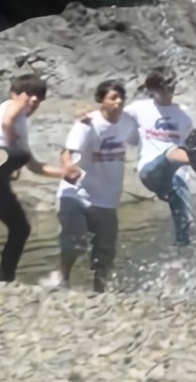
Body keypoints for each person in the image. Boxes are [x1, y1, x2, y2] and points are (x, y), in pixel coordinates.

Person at [0, 74, 71, 283]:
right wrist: (10, 146)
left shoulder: (23, 131)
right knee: (19, 155)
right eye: (29, 95)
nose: (34, 100)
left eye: (39, 96)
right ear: (14, 95)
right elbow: (7, 122)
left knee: (20, 228)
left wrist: (67, 173)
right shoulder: (10, 105)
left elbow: (36, 167)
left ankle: (4, 277)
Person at [47, 79, 140, 292]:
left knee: (105, 251)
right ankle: (63, 278)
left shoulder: (128, 122)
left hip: (107, 197)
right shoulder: (88, 122)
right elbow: (67, 151)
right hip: (77, 192)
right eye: (113, 98)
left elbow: (142, 138)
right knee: (75, 242)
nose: (118, 102)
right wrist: (68, 166)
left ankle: (100, 291)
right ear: (101, 101)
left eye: (121, 97)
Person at [125, 67, 196, 250]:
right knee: (171, 152)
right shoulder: (139, 108)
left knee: (188, 226)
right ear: (153, 90)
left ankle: (177, 265)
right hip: (152, 170)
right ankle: (191, 158)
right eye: (166, 88)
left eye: (173, 87)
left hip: (176, 180)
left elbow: (188, 139)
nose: (170, 92)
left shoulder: (182, 113)